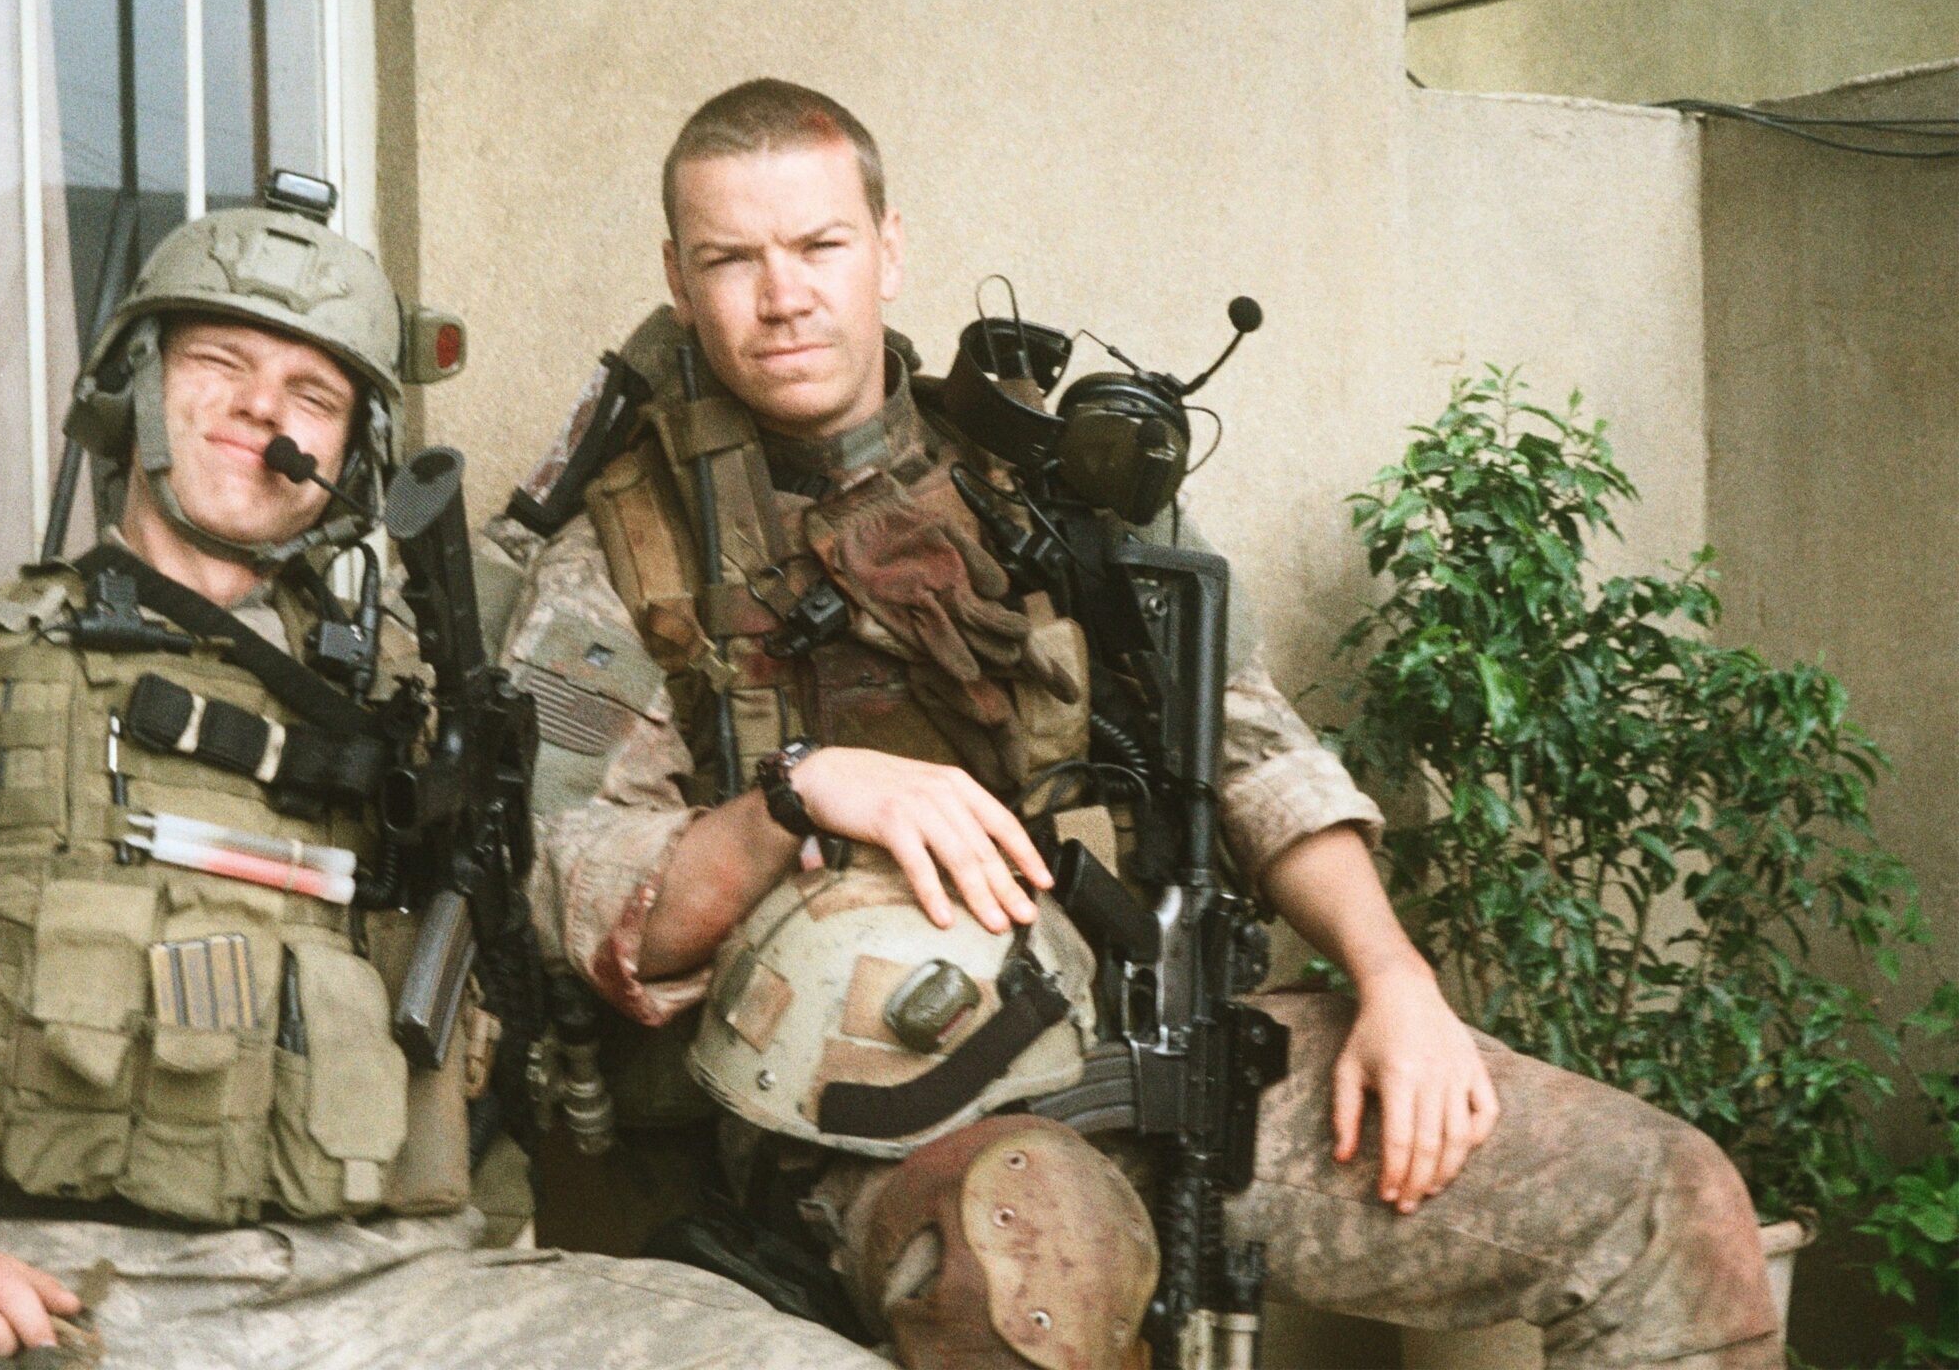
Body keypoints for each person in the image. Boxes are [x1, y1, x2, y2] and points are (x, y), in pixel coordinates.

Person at [493, 79, 1781, 1369]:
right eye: (731, 258)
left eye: (819, 245)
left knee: (1662, 1201)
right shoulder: (620, 556)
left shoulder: (1056, 484)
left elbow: (1249, 747)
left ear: (888, 249)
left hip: (1169, 1043)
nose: (782, 296)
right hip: (880, 1106)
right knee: (1025, 1286)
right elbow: (577, 887)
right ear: (678, 276)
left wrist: (1394, 979)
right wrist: (802, 789)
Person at [0, 182, 893, 1370]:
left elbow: (605, 881)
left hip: (408, 1298)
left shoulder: (430, 711)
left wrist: (792, 791)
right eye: (220, 364)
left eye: (313, 392)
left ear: (354, 454)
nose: (263, 410)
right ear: (135, 390)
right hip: (66, 1293)